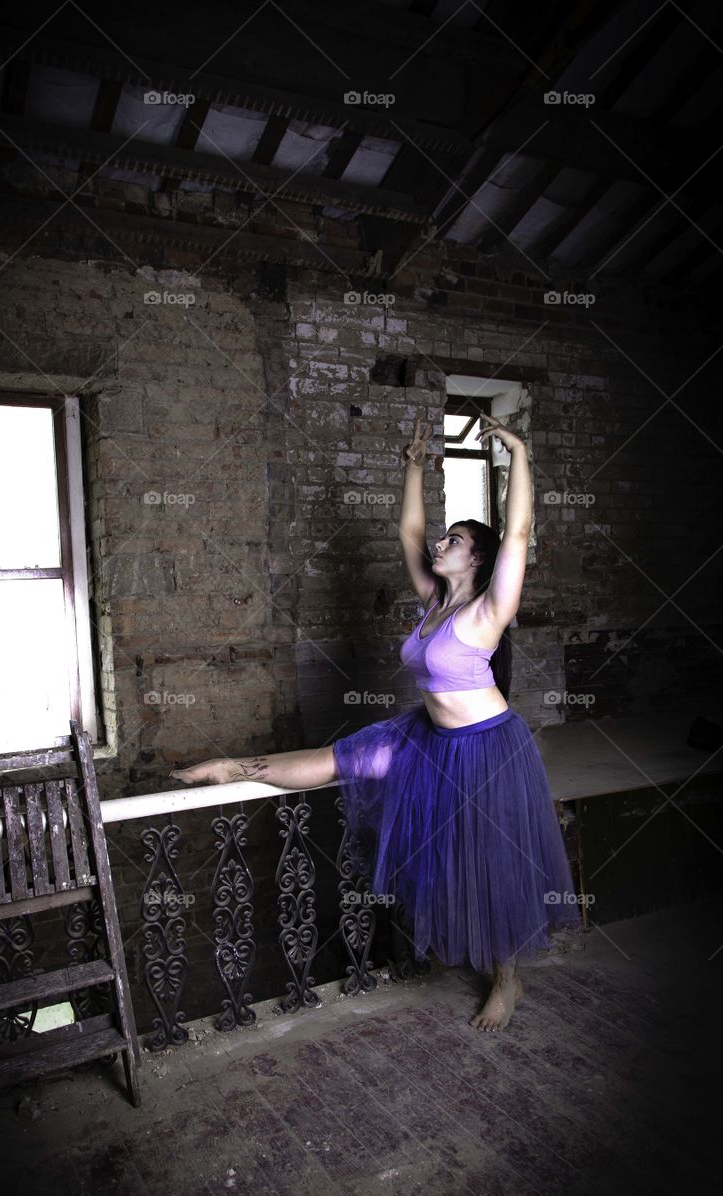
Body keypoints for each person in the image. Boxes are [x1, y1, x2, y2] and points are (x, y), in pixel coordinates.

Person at [169, 413, 583, 1031]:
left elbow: (519, 531)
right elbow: (409, 528)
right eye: (443, 539)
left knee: (490, 860)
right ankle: (233, 766)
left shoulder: (490, 610)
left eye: (454, 541)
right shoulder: (432, 605)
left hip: (489, 749)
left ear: (477, 559)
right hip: (430, 736)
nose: (439, 544)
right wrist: (415, 463)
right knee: (344, 757)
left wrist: (520, 451)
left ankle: (507, 978)